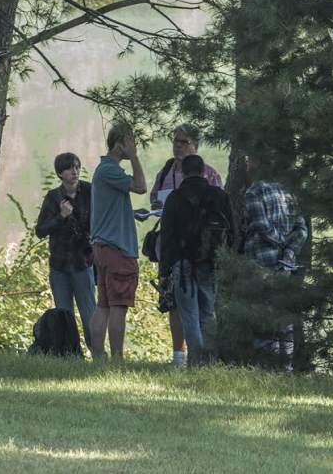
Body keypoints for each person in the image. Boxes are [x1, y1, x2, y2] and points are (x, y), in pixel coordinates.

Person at [150, 123, 223, 366]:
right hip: (173, 250)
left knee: (202, 307)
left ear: (195, 146)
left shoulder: (210, 174)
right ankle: (179, 355)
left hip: (201, 251)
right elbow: (154, 200)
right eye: (175, 141)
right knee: (174, 304)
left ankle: (200, 358)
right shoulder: (165, 172)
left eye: (183, 142)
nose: (177, 146)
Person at [159, 155, 232, 365]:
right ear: (203, 171)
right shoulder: (219, 195)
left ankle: (197, 361)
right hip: (211, 261)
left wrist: (164, 271)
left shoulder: (175, 197)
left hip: (183, 263)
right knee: (208, 314)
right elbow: (232, 229)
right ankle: (209, 362)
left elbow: (167, 237)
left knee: (189, 315)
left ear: (182, 171)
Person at [243, 157, 308, 370]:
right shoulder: (288, 193)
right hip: (286, 264)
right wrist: (289, 252)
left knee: (262, 313)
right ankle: (286, 366)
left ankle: (267, 365)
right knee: (283, 316)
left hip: (261, 260)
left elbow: (261, 226)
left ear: (256, 165)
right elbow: (301, 229)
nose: (246, 163)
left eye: (249, 160)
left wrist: (279, 245)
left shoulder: (253, 192)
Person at [89, 123, 147, 359]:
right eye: (130, 142)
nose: (133, 146)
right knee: (118, 306)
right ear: (119, 143)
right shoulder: (110, 170)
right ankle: (117, 358)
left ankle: (99, 357)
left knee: (103, 304)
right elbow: (141, 187)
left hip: (103, 246)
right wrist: (134, 157)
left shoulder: (105, 171)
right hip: (117, 248)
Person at [35, 152, 96, 350]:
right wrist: (61, 216)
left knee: (90, 315)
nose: (75, 172)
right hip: (60, 266)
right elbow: (40, 230)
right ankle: (70, 355)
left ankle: (98, 355)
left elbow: (99, 222)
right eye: (69, 168)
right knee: (64, 316)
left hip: (83, 262)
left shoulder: (89, 191)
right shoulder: (53, 197)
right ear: (60, 173)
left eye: (77, 167)